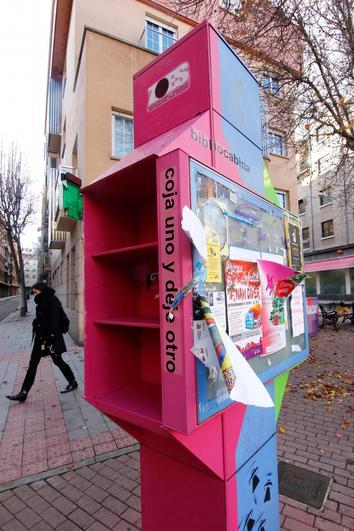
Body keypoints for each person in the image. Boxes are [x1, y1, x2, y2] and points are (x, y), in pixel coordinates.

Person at [6, 282, 78, 403]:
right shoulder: (42, 300)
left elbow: (55, 321)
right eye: (33, 292)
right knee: (33, 364)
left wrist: (50, 338)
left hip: (51, 339)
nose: (34, 294)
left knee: (58, 361)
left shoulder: (52, 300)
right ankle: (23, 392)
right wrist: (37, 322)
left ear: (41, 290)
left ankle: (73, 382)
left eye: (35, 292)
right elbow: (44, 318)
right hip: (40, 339)